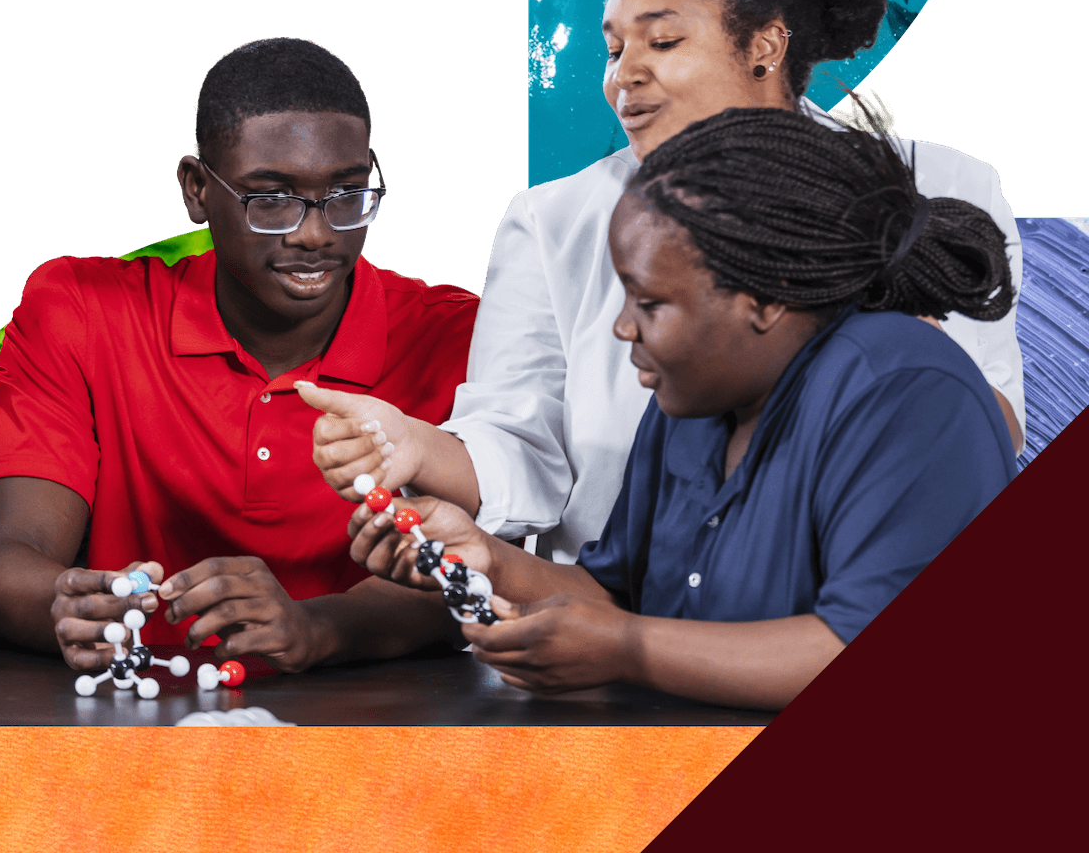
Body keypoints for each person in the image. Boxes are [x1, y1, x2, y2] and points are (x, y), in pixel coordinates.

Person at [295, 0, 1024, 568]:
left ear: (765, 43)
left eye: (663, 41)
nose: (624, 75)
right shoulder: (550, 223)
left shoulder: (939, 187)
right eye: (613, 48)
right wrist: (413, 446)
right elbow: (520, 452)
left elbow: (986, 435)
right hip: (604, 626)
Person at [340, 106, 1019, 710]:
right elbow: (618, 597)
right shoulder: (690, 401)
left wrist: (627, 650)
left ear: (767, 296)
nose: (622, 330)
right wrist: (483, 557)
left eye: (651, 304)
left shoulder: (910, 391)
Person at [0, 38, 472, 677]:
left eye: (346, 194)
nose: (314, 233)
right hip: (128, 733)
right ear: (197, 189)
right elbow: (8, 560)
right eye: (271, 199)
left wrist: (316, 628)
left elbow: (476, 572)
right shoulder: (79, 311)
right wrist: (59, 605)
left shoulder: (455, 336)